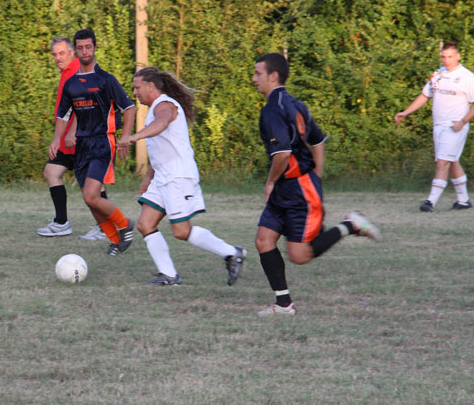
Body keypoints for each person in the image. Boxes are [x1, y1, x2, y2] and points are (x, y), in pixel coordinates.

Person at [252, 53, 382, 316]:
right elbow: (318, 140)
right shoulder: (296, 104)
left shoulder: (272, 109)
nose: (254, 79)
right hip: (291, 187)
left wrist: (272, 182)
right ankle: (284, 305)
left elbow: (283, 153)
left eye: (257, 73)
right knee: (264, 240)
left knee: (300, 256)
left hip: (298, 191)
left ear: (273, 76)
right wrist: (316, 175)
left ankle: (350, 225)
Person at [118, 67, 246, 286]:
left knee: (181, 230)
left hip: (178, 177)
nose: (135, 92)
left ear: (151, 86)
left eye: (137, 87)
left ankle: (232, 252)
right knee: (145, 224)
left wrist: (134, 137)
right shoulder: (153, 109)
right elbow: (161, 147)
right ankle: (168, 275)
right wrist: (149, 176)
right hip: (162, 178)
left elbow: (162, 124)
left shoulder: (165, 105)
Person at [50, 29, 136, 256]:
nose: (85, 51)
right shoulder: (72, 83)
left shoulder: (106, 79)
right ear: (76, 51)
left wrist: (125, 136)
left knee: (91, 195)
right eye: (80, 48)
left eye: (88, 47)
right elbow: (64, 115)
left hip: (102, 143)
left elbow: (129, 107)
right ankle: (116, 240)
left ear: (95, 48)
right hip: (81, 146)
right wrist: (57, 139)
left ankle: (126, 225)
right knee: (90, 200)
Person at [36, 37, 107, 241]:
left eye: (62, 53)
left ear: (72, 53)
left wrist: (72, 132)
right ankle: (61, 223)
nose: (58, 58)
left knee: (91, 182)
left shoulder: (79, 72)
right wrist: (57, 138)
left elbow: (86, 104)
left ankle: (105, 227)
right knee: (51, 172)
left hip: (82, 138)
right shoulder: (66, 74)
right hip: (67, 141)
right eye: (55, 54)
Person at [395, 41, 474, 212]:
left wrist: (463, 121)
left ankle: (430, 202)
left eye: (450, 56)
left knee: (442, 162)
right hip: (438, 126)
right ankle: (464, 200)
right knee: (452, 161)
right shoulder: (438, 74)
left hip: (455, 126)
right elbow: (425, 95)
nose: (447, 60)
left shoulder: (467, 77)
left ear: (458, 56)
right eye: (444, 57)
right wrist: (405, 112)